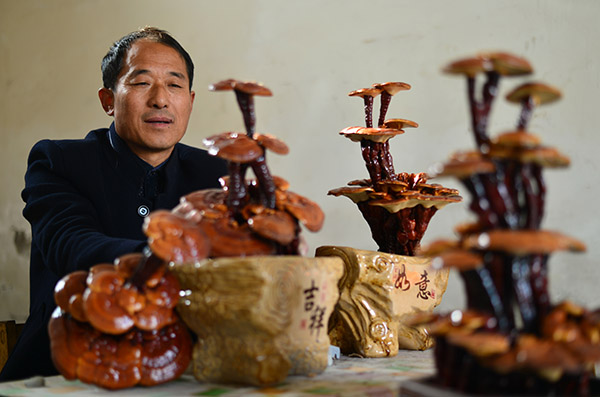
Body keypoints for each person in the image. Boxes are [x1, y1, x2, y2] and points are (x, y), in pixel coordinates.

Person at [0, 27, 227, 381]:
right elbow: (72, 244)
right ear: (109, 100)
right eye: (141, 83)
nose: (161, 99)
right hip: (65, 367)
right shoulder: (59, 161)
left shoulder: (217, 172)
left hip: (187, 366)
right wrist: (180, 260)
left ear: (191, 100)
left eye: (174, 84)